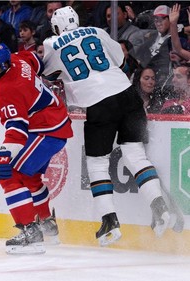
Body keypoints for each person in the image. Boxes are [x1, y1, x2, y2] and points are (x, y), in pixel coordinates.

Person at [43, 7, 176, 247]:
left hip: (97, 102)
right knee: (135, 155)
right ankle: (160, 208)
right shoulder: (95, 30)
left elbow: (50, 74)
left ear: (56, 27)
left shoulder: (52, 43)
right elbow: (122, 60)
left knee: (97, 163)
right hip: (127, 94)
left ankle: (109, 222)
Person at [0, 43, 73, 254]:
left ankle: (30, 232)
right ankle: (47, 224)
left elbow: (17, 130)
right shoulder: (16, 59)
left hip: (46, 129)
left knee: (10, 174)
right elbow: (36, 61)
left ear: (3, 66)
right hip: (52, 121)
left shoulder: (5, 90)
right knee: (29, 177)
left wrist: (2, 157)